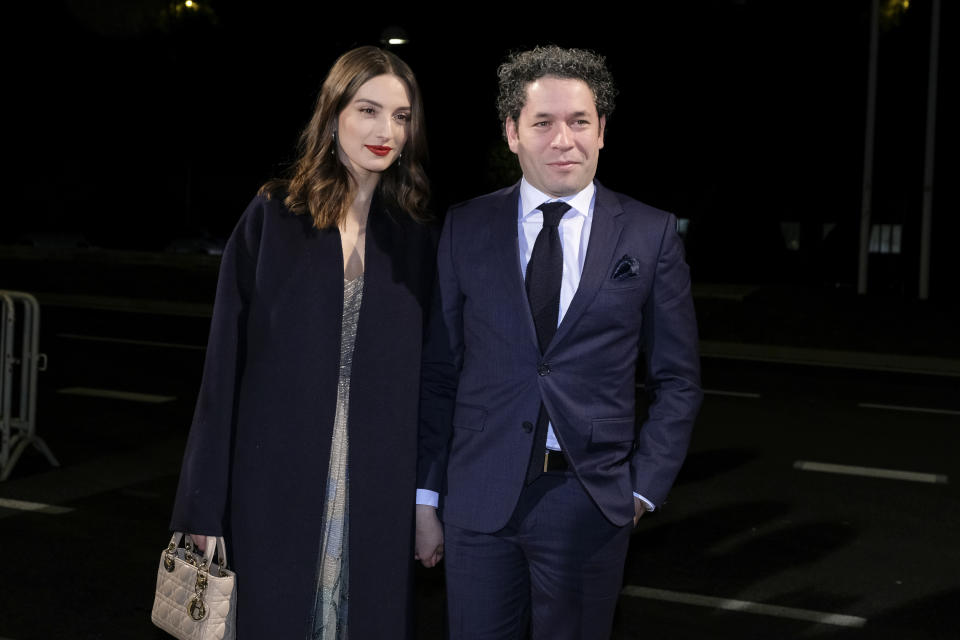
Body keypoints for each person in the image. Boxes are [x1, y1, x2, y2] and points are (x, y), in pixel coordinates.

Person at [415, 45, 703, 639]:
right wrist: (426, 496)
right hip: (477, 500)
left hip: (590, 502)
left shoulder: (650, 235)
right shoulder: (465, 227)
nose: (562, 139)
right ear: (512, 132)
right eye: (542, 122)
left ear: (602, 131)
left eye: (579, 121)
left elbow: (677, 379)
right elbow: (440, 372)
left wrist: (643, 488)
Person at [169, 46, 435, 639]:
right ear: (333, 111)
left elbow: (432, 386)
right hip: (271, 482)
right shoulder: (275, 215)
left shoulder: (416, 238)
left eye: (400, 116)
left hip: (377, 489)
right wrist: (200, 504)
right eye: (368, 110)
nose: (384, 131)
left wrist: (426, 502)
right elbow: (221, 371)